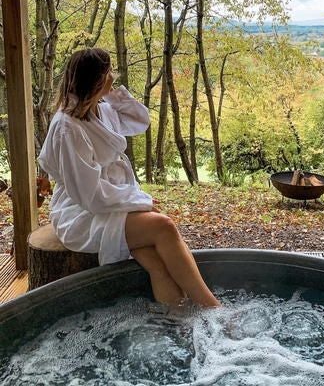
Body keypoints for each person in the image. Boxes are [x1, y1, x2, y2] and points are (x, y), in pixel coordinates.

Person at [38, 47, 219, 308]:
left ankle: (179, 322)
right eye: (108, 73)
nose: (114, 76)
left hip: (110, 201)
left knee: (156, 263)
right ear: (96, 80)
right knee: (164, 227)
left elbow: (139, 120)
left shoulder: (99, 109)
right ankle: (212, 309)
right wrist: (138, 201)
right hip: (81, 213)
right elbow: (90, 195)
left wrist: (111, 93)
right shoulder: (67, 128)